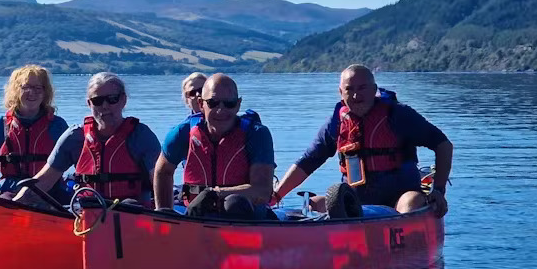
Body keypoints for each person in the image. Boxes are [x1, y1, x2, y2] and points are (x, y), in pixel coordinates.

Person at [273, 64, 452, 216]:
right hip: (356, 200)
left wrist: (438, 190)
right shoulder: (336, 123)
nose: (356, 96)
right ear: (341, 93)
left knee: (411, 203)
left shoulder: (398, 115)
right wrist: (276, 195)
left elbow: (443, 144)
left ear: (374, 90)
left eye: (362, 88)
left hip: (401, 196)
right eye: (349, 89)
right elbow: (308, 161)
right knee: (313, 205)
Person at [12, 72, 168, 210]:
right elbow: (43, 180)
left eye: (112, 99)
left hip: (131, 213)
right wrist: (14, 205)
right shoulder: (74, 136)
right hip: (87, 213)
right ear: (89, 104)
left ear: (123, 100)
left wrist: (164, 213)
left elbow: (160, 180)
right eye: (97, 101)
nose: (105, 106)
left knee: (129, 205)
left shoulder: (141, 136)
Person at [155, 73, 276, 218]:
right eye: (213, 103)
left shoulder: (256, 134)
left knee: (234, 203)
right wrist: (165, 213)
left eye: (229, 103)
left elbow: (262, 190)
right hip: (196, 212)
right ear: (201, 104)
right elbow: (163, 171)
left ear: (238, 104)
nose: (221, 110)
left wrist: (215, 194)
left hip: (245, 214)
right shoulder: (182, 132)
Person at [0, 65, 69, 192]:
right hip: (12, 192)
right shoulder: (1, 126)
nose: (32, 92)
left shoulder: (58, 125)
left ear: (45, 92)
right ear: (16, 91)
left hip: (50, 193)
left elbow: (78, 164)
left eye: (38, 88)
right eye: (26, 87)